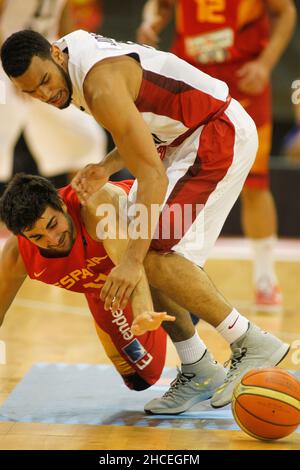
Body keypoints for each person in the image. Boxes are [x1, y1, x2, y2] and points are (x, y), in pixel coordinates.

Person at [0, 30, 290, 412]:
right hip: (177, 141)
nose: (46, 95)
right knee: (138, 248)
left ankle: (252, 342)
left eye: (45, 82)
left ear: (55, 54)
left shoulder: (97, 85)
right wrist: (106, 166)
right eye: (32, 92)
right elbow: (140, 127)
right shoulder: (70, 60)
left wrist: (132, 261)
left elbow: (151, 175)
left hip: (213, 135)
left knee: (147, 254)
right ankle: (198, 366)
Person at [0, 173, 289, 414]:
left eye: (53, 224)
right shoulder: (17, 256)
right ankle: (200, 362)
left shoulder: (96, 205)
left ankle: (224, 345)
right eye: (37, 237)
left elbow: (130, 261)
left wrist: (143, 309)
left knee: (149, 259)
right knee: (140, 378)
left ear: (61, 204)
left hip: (143, 249)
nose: (51, 239)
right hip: (104, 288)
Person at [137, 0, 297, 312]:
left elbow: (286, 11)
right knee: (176, 172)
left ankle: (265, 277)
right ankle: (176, 269)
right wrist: (150, 22)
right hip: (190, 77)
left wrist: (265, 63)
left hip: (243, 77)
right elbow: (159, 5)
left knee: (255, 182)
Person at [0, 0, 106, 194]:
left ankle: (80, 210)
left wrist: (74, 58)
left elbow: (64, 20)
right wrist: (13, 70)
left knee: (86, 138)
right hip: (5, 64)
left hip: (46, 66)